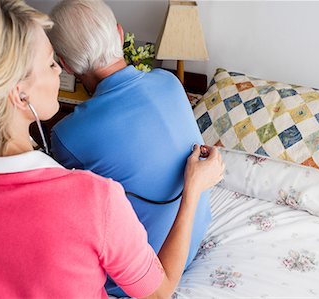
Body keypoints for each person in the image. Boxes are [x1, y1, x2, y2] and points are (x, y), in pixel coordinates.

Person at [0, 0, 224, 298]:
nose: (60, 71)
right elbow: (159, 292)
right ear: (20, 95)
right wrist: (193, 187)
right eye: (50, 64)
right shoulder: (95, 199)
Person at [48, 1, 219, 296]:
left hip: (146, 275)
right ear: (119, 33)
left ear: (65, 65)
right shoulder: (170, 82)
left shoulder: (67, 134)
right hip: (192, 237)